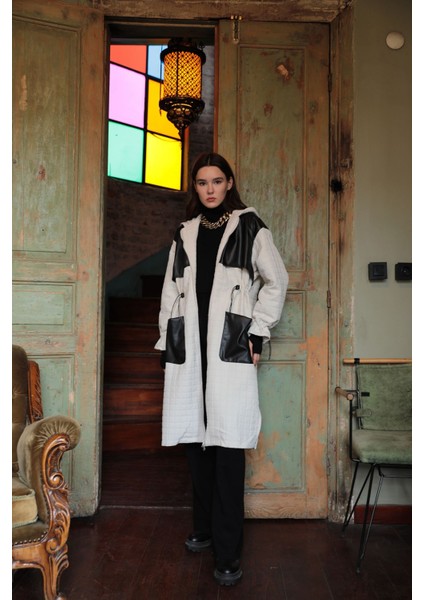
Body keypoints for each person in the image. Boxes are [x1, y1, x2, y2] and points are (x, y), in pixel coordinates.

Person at [154, 152, 288, 586]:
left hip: (229, 343)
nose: (209, 189)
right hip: (190, 344)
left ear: (229, 183)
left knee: (228, 446)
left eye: (216, 181)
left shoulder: (249, 225)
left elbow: (276, 280)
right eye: (202, 182)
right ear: (195, 188)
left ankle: (228, 551)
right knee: (196, 444)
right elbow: (170, 290)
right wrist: (167, 340)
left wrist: (258, 332)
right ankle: (205, 527)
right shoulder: (185, 232)